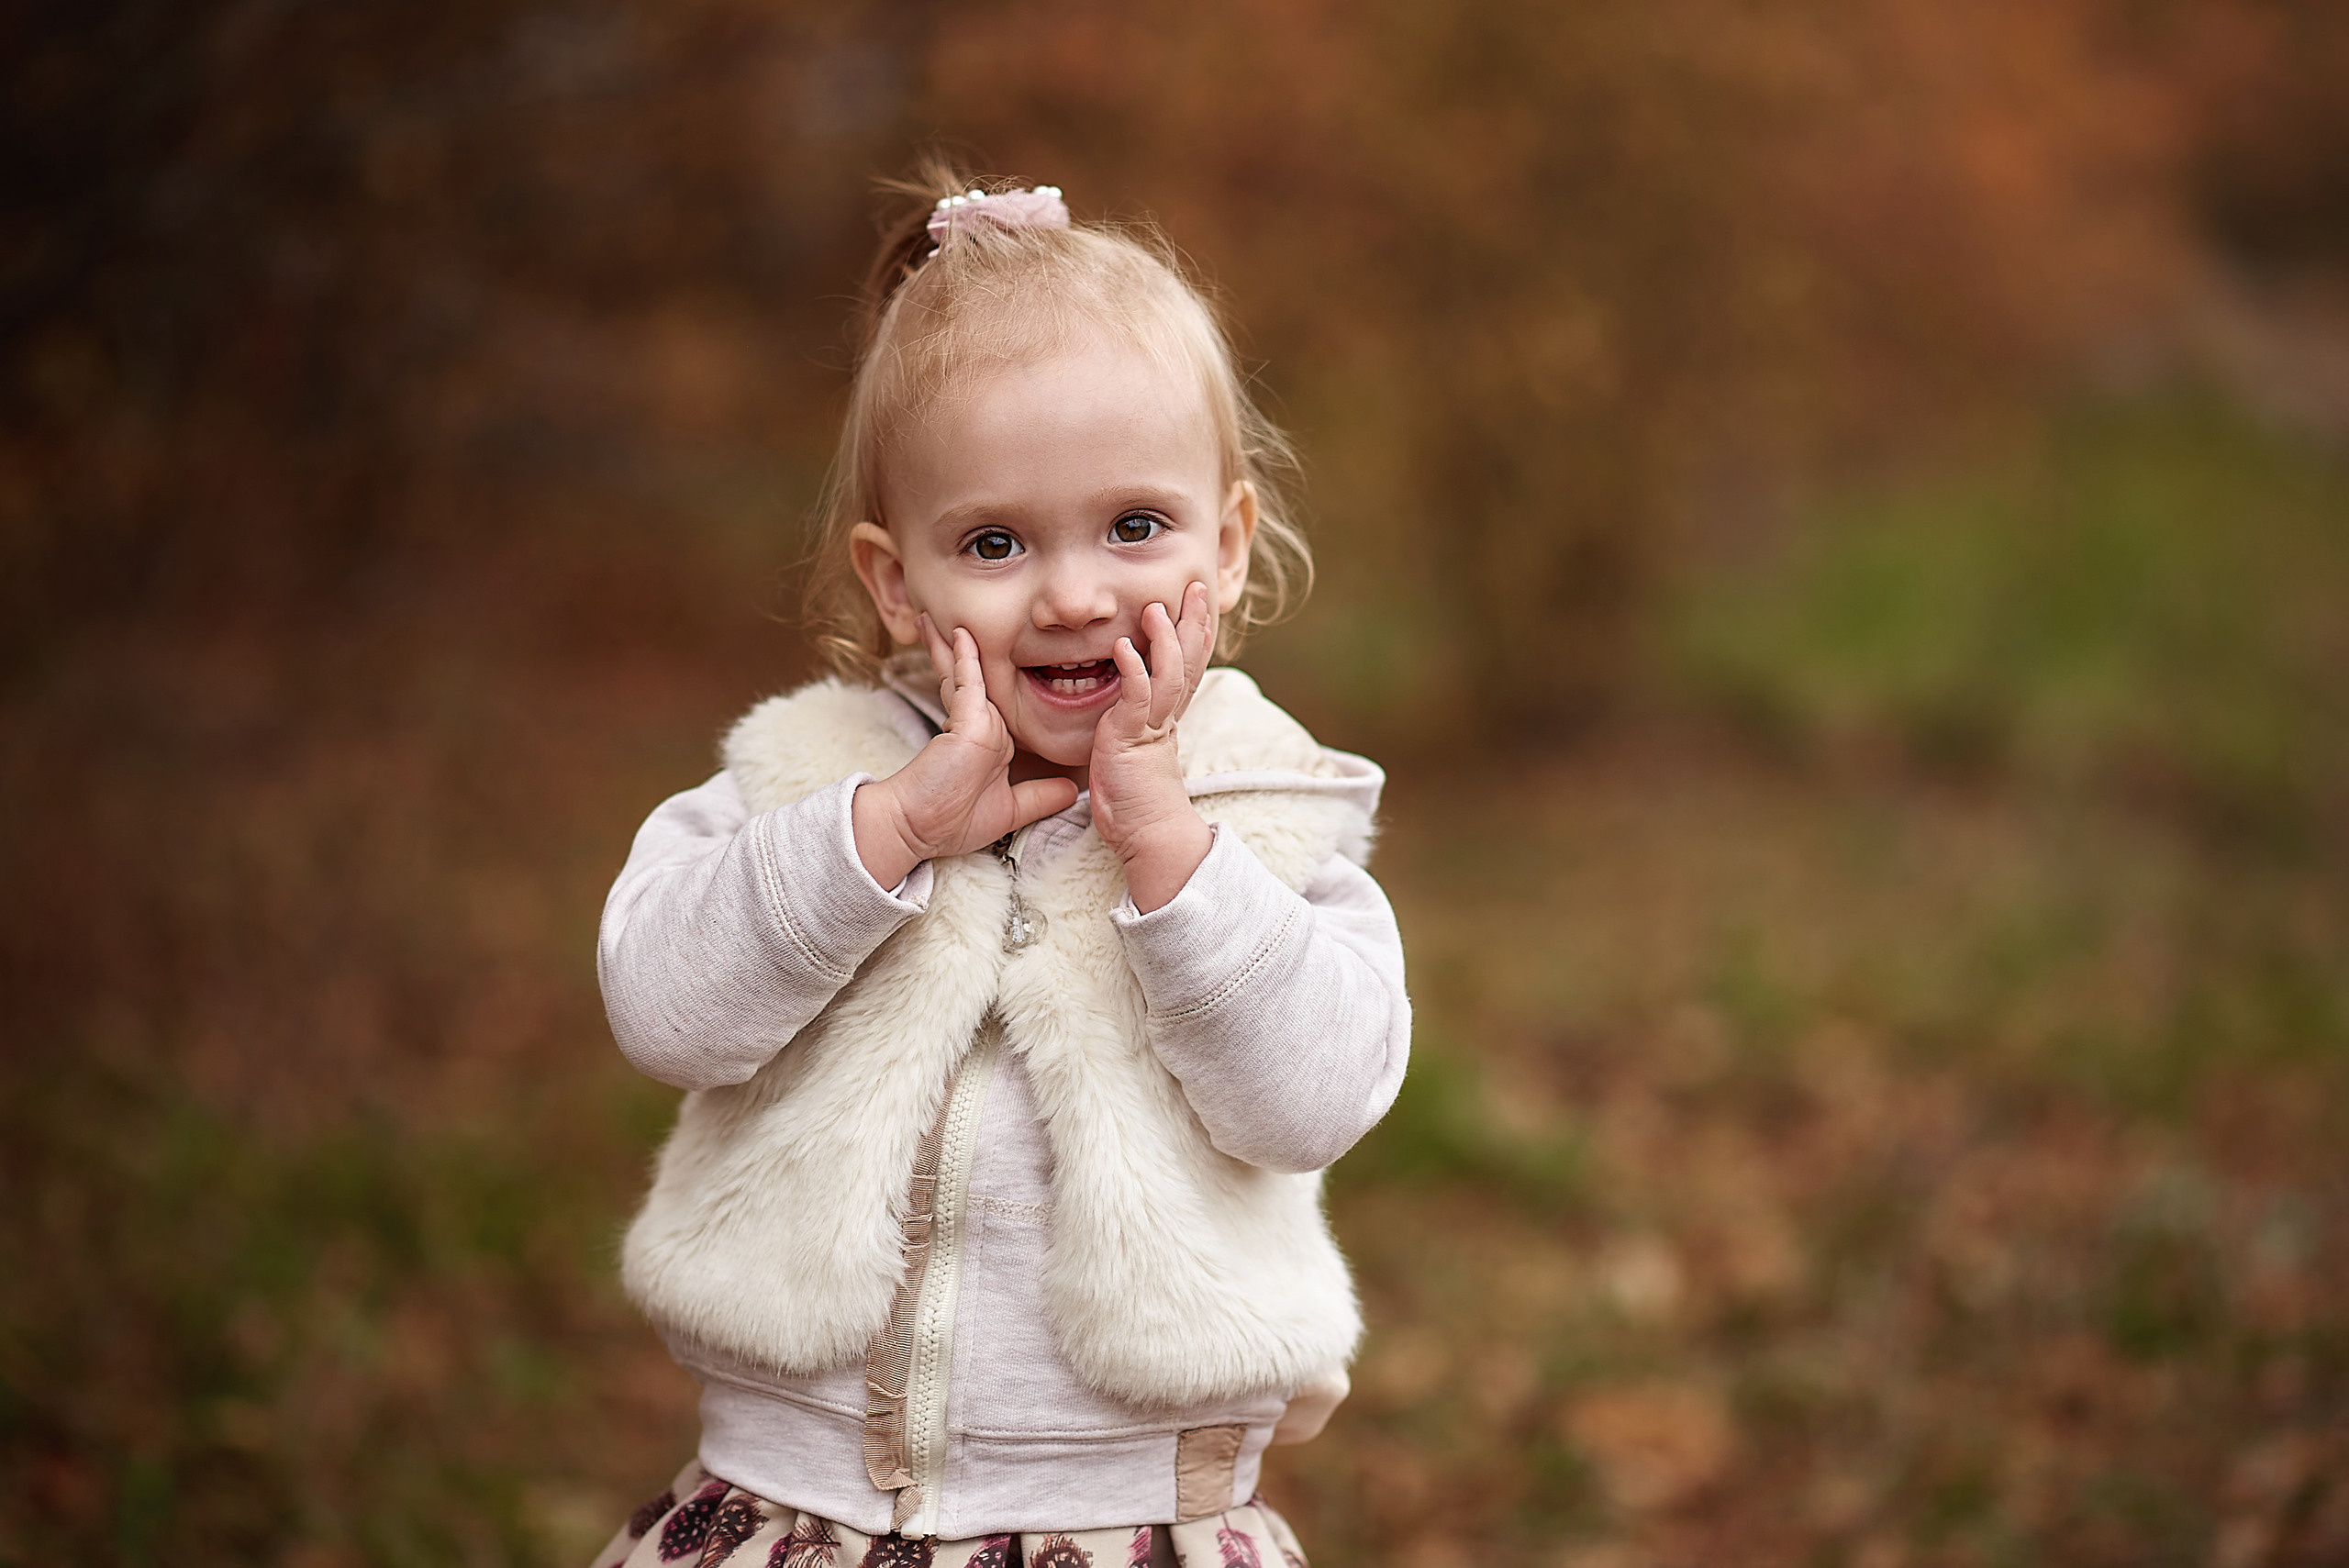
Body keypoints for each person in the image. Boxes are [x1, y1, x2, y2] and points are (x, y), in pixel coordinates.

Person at [587, 168, 1410, 1568]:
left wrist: (1168, 848)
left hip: (1137, 1508)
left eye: (1134, 526)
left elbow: (1315, 1100)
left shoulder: (1270, 816)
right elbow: (665, 1010)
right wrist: (887, 834)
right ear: (897, 577)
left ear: (1229, 539)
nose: (1074, 592)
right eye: (994, 541)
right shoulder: (808, 781)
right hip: (802, 1508)